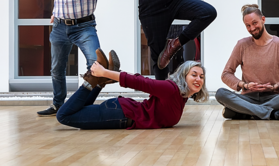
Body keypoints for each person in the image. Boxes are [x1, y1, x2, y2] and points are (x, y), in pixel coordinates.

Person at [37, 0, 143, 116]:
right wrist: (55, 12)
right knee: (57, 68)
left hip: (84, 27)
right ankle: (58, 105)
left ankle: (82, 105)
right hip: (60, 26)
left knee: (97, 66)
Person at [56, 50, 208, 129]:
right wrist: (106, 72)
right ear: (183, 76)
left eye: (201, 77)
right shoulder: (171, 89)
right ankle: (94, 80)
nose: (198, 79)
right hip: (120, 114)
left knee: (80, 109)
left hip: (120, 111)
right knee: (63, 115)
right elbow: (140, 82)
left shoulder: (182, 96)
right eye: (194, 75)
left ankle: (99, 82)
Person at [215, 4, 279, 121]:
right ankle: (273, 114)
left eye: (254, 23)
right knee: (220, 93)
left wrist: (275, 87)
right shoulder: (242, 45)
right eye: (248, 25)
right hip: (247, 98)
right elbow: (226, 74)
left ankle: (245, 113)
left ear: (263, 20)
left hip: (273, 98)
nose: (252, 28)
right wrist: (244, 85)